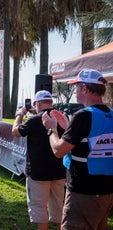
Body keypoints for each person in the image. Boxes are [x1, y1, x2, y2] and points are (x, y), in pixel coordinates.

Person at [42, 69, 113, 229]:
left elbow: (58, 151)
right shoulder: (110, 114)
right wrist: (68, 127)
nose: (74, 90)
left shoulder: (83, 116)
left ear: (85, 89)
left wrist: (51, 129)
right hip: (106, 192)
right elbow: (91, 141)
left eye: (77, 86)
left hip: (83, 192)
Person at [12, 90, 66, 230]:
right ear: (51, 102)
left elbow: (15, 131)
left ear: (39, 103)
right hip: (60, 172)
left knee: (40, 211)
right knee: (60, 210)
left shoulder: (34, 121)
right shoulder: (62, 117)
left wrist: (20, 114)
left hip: (38, 173)